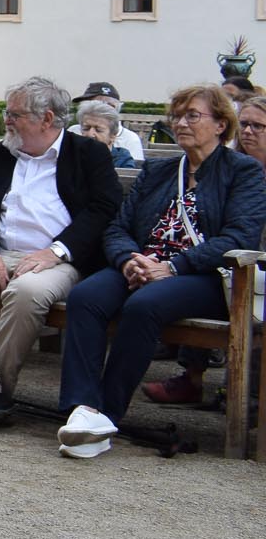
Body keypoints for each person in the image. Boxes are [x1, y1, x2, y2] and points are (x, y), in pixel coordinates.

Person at [56, 86, 266, 459]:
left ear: (221, 125)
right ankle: (80, 409)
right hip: (143, 264)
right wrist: (128, 260)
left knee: (145, 304)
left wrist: (172, 266)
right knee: (86, 296)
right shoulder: (160, 169)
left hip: (205, 276)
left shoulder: (243, 172)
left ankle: (105, 413)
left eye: (192, 116)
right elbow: (118, 226)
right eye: (178, 115)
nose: (181, 123)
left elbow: (239, 236)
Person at [0, 78, 123, 429]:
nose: (6, 120)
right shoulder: (1, 154)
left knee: (26, 292)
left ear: (46, 119)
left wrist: (56, 251)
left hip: (60, 260)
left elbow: (104, 210)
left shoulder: (88, 153)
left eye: (15, 114)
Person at [144, 93, 266, 405]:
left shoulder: (245, 175)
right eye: (246, 125)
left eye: (259, 126)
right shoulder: (224, 169)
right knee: (210, 273)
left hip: (255, 267)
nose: (249, 132)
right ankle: (192, 378)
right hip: (225, 265)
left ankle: (249, 397)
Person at [76, 82, 144, 163]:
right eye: (89, 105)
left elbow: (133, 172)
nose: (91, 134)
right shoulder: (73, 131)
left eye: (98, 130)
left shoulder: (130, 140)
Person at [77, 101, 139, 169]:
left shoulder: (122, 160)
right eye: (86, 128)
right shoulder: (72, 155)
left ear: (113, 135)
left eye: (98, 130)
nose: (90, 134)